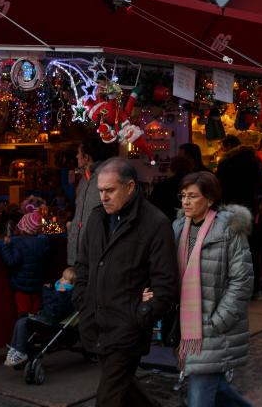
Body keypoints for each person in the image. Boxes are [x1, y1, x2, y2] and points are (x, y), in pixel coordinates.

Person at [73, 157, 178, 407]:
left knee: (108, 398)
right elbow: (84, 265)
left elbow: (165, 282)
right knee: (123, 389)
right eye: (100, 191)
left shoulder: (155, 224)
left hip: (127, 328)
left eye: (110, 190)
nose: (104, 197)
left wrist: (141, 314)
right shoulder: (97, 219)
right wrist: (82, 300)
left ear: (130, 187)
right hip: (96, 323)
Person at [168, 171, 253, 406]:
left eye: (193, 196)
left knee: (199, 397)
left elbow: (242, 280)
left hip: (215, 328)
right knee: (218, 392)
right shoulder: (177, 228)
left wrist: (219, 320)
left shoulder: (229, 230)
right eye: (183, 195)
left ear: (210, 199)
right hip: (188, 326)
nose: (185, 201)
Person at [217, 135, 262, 299]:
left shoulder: (225, 164)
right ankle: (255, 289)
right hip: (251, 211)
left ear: (228, 147)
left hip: (229, 210)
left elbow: (218, 188)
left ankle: (237, 289)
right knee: (252, 250)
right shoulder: (256, 162)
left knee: (232, 251)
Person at [4, 267, 77, 368]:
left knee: (24, 323)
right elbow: (46, 302)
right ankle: (14, 349)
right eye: (62, 276)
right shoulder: (55, 289)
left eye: (65, 279)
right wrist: (48, 291)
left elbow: (56, 309)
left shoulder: (67, 295)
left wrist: (59, 294)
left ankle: (20, 352)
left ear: (71, 284)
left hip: (50, 321)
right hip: (43, 316)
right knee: (20, 320)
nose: (61, 279)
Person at [0, 208, 51, 316]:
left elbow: (11, 261)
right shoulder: (44, 244)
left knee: (24, 318)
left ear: (24, 228)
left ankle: (24, 333)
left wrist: (6, 246)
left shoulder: (20, 244)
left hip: (22, 289)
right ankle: (36, 333)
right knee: (36, 316)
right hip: (37, 287)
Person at [67, 139, 105, 266]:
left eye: (79, 153)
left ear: (86, 157)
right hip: (78, 252)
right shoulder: (84, 179)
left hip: (94, 253)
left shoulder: (104, 178)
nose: (77, 156)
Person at [148, 155, 192, 222]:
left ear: (172, 168)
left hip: (165, 223)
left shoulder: (162, 186)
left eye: (168, 166)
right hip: (187, 222)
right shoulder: (192, 184)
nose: (167, 169)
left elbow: (151, 208)